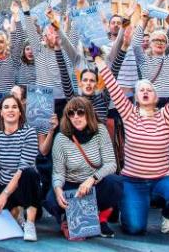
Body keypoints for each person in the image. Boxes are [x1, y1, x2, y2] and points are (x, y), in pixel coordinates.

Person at [94, 48, 169, 235]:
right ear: (136, 97)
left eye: (149, 90)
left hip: (161, 178)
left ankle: (168, 216)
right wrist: (98, 59)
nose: (145, 92)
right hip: (133, 180)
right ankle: (132, 206)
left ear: (156, 97)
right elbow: (113, 87)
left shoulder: (167, 115)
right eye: (141, 90)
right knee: (135, 228)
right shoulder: (129, 113)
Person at [47, 96, 120, 240]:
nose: (76, 117)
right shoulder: (61, 138)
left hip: (94, 183)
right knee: (51, 199)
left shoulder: (100, 131)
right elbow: (58, 173)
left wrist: (92, 180)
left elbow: (111, 164)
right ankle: (68, 218)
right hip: (71, 185)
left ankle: (100, 217)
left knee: (115, 182)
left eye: (80, 112)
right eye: (71, 113)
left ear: (88, 113)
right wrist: (58, 190)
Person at [0, 94, 42, 242]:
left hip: (23, 187)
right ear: (1, 113)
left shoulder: (29, 132)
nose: (10, 110)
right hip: (3, 184)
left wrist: (4, 196)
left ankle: (29, 223)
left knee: (29, 173)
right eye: (6, 107)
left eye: (14, 107)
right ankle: (15, 211)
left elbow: (22, 168)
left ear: (20, 112)